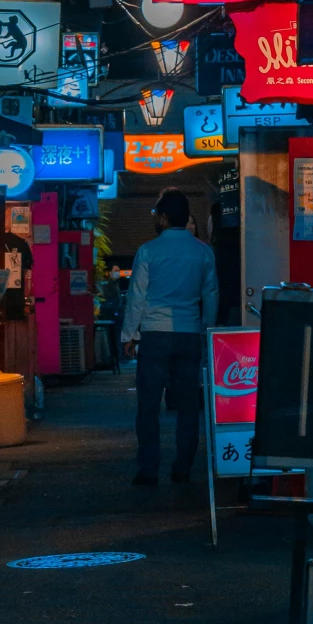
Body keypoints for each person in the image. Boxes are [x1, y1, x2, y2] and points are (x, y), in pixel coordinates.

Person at [120, 189, 218, 485]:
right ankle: (183, 467)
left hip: (154, 336)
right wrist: (206, 331)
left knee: (148, 406)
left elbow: (137, 296)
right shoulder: (203, 251)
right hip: (189, 335)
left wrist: (129, 335)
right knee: (188, 406)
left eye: (156, 215)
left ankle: (148, 468)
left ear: (164, 218)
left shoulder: (148, 251)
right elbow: (210, 295)